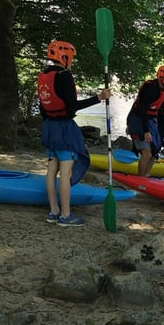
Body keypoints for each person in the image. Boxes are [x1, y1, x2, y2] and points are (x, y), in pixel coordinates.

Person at [37, 40, 111, 227]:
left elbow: (43, 109)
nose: (71, 61)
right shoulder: (65, 76)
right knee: (66, 172)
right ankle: (66, 215)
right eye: (71, 58)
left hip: (49, 128)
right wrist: (99, 98)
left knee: (51, 171)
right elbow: (72, 107)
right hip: (64, 130)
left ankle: (53, 212)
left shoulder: (43, 75)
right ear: (64, 57)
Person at [126, 65, 164, 176]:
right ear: (162, 77)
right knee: (147, 153)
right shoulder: (151, 89)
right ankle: (140, 179)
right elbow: (142, 110)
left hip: (150, 121)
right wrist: (146, 131)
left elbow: (159, 113)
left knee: (155, 152)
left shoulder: (162, 91)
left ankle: (146, 176)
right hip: (138, 120)